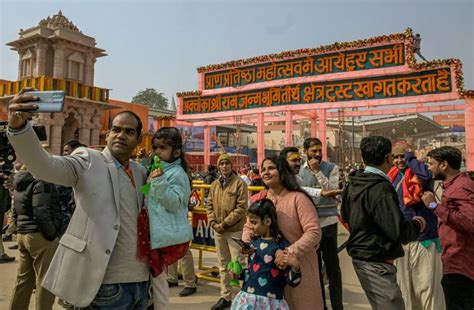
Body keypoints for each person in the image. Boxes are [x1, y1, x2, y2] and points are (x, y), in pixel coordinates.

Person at [7, 88, 149, 308]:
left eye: (129, 132)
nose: (121, 135)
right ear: (108, 134)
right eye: (115, 130)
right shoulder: (88, 160)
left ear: (139, 139)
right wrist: (19, 128)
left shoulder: (141, 173)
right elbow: (44, 167)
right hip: (105, 286)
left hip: (142, 283)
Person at [341, 136, 426, 310]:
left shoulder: (354, 182)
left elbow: (345, 215)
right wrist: (417, 224)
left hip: (364, 256)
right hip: (376, 260)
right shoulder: (381, 188)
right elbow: (398, 231)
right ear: (388, 158)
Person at [243, 156, 323, 309]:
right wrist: (248, 246)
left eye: (271, 168)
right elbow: (248, 227)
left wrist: (288, 253)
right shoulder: (260, 199)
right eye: (263, 169)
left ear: (282, 171)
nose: (266, 172)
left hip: (299, 267)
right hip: (267, 274)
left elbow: (313, 232)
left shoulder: (298, 199)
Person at [138, 127, 194, 309]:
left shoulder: (177, 174)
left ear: (176, 152)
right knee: (152, 275)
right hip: (153, 231)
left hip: (164, 234)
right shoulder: (159, 169)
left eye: (163, 148)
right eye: (155, 147)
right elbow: (148, 196)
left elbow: (175, 203)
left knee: (158, 277)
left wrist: (159, 181)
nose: (157, 152)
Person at [388, 141, 444, 310]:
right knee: (405, 289)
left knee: (427, 288)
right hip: (403, 239)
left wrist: (410, 156)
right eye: (396, 157)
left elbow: (426, 176)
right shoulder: (392, 176)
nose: (400, 160)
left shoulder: (420, 174)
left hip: (424, 240)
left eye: (403, 156)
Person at [421, 146, 474, 310]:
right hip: (454, 261)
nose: (429, 168)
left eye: (431, 163)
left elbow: (470, 222)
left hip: (461, 265)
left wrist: (434, 206)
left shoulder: (461, 187)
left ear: (444, 165)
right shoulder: (455, 185)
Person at [298, 138, 343, 310]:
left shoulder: (331, 168)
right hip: (309, 226)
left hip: (329, 224)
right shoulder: (299, 172)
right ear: (305, 151)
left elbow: (333, 189)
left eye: (319, 150)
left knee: (333, 269)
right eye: (313, 150)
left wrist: (318, 172)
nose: (317, 154)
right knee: (314, 270)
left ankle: (338, 306)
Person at [232, 198, 302, 310]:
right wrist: (238, 274)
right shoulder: (253, 244)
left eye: (254, 223)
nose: (251, 227)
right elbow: (254, 273)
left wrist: (296, 267)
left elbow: (291, 282)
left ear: (268, 222)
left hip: (271, 304)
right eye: (250, 223)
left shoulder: (282, 247)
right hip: (247, 300)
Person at [9, 169, 62, 310]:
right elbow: (41, 211)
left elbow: (15, 210)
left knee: (23, 280)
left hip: (23, 234)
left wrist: (20, 227)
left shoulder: (20, 181)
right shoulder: (42, 181)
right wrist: (52, 235)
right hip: (39, 236)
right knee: (45, 281)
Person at [206, 153, 248, 310]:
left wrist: (224, 223)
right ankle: (225, 297)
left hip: (233, 230)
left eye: (227, 164)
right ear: (218, 166)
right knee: (223, 264)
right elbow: (209, 205)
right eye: (221, 164)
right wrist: (213, 222)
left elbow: (241, 208)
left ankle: (240, 298)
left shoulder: (239, 184)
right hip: (219, 231)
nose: (224, 166)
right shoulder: (215, 185)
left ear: (232, 166)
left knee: (236, 265)